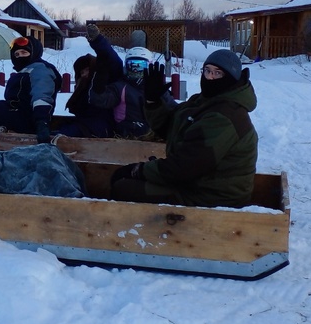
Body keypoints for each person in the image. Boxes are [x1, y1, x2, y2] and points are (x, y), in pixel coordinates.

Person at [110, 48, 258, 207]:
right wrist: (153, 101)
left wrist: (139, 171)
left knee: (124, 188)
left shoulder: (225, 116)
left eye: (218, 73)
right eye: (207, 71)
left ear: (231, 79)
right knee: (124, 181)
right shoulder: (205, 101)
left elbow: (183, 167)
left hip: (215, 197)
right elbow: (170, 127)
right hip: (197, 183)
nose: (210, 77)